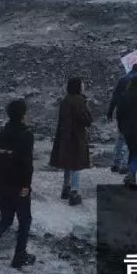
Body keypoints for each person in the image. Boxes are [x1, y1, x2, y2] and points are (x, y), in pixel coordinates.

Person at [0, 99, 35, 269]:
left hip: (2, 182)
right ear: (22, 115)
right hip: (18, 185)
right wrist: (26, 185)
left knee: (5, 219)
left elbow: (2, 159)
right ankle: (19, 256)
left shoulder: (2, 133)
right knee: (25, 221)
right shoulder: (27, 134)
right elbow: (26, 163)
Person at [49, 77, 92, 206]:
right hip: (76, 136)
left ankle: (65, 187)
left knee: (68, 162)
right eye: (82, 85)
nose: (84, 87)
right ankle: (74, 191)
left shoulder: (65, 100)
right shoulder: (80, 101)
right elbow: (85, 119)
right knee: (76, 164)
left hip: (65, 136)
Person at [106, 63, 137, 174]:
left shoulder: (122, 79)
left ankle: (115, 163)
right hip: (134, 115)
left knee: (121, 137)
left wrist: (110, 111)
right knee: (131, 140)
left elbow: (115, 96)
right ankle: (125, 164)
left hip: (121, 113)